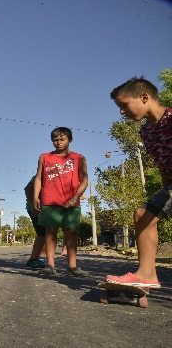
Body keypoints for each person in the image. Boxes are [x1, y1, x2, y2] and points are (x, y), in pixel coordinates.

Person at [105, 76, 171, 289]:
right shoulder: (147, 132)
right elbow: (164, 167)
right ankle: (147, 275)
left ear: (144, 97)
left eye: (124, 105)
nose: (121, 112)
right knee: (143, 214)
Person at [33, 127, 89, 277]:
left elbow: (84, 181)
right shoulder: (44, 157)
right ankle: (50, 264)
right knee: (50, 232)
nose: (58, 142)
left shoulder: (79, 158)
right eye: (55, 140)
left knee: (71, 232)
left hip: (70, 202)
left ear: (70, 140)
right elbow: (39, 178)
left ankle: (72, 266)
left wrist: (75, 198)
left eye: (62, 139)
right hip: (50, 200)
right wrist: (35, 197)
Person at [24, 175, 47, 269]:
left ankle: (40, 259)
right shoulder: (41, 175)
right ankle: (33, 260)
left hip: (46, 209)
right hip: (36, 208)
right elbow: (27, 189)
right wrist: (33, 206)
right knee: (42, 233)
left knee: (48, 233)